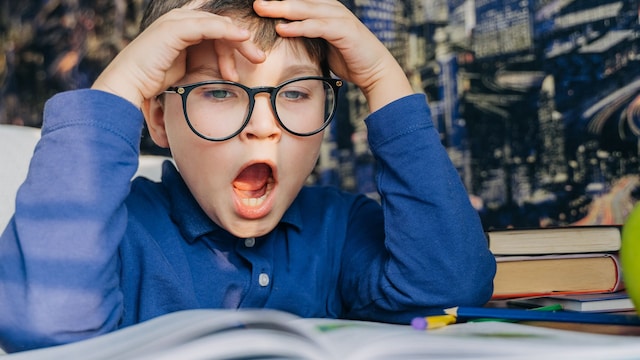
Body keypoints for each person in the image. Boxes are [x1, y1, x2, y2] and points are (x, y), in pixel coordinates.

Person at [0, 0, 496, 353]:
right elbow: (43, 323)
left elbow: (450, 288)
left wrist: (383, 80)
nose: (264, 127)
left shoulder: (339, 229)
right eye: (219, 92)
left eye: (298, 92)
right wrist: (123, 83)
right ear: (156, 119)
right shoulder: (112, 236)